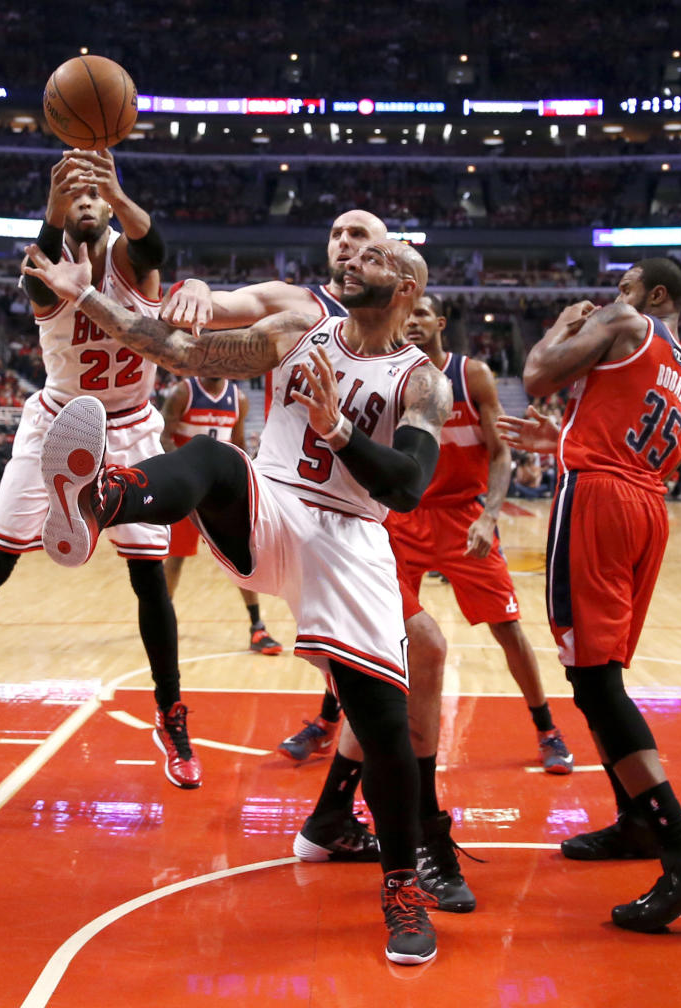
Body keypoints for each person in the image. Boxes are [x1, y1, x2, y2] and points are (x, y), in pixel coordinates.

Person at [24, 235, 452, 966]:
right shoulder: (296, 332)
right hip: (277, 509)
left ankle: (403, 888)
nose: (353, 262)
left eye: (375, 259)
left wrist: (337, 430)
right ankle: (103, 497)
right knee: (219, 458)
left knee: (384, 724)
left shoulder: (422, 381)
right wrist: (86, 296)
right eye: (351, 257)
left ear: (408, 287)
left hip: (354, 542)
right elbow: (179, 352)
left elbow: (406, 489)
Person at [163, 213, 477, 916]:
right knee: (412, 655)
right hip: (299, 516)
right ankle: (418, 834)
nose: (345, 246)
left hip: (362, 519)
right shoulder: (302, 308)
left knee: (393, 661)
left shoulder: (403, 336)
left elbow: (414, 448)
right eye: (335, 235)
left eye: (361, 237)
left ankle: (335, 812)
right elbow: (208, 316)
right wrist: (192, 284)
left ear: (392, 264)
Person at [0, 148, 203, 790]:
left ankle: (170, 711)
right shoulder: (43, 264)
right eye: (77, 197)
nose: (87, 201)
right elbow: (43, 265)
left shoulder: (129, 257)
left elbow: (156, 247)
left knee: (149, 581)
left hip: (129, 428)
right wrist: (53, 203)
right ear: (61, 211)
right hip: (57, 424)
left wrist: (116, 192)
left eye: (96, 196)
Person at [499, 257, 681, 933]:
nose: (611, 298)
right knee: (604, 671)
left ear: (655, 296)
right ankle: (636, 824)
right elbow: (631, 434)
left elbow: (538, 375)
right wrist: (567, 439)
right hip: (646, 510)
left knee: (595, 681)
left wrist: (561, 325)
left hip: (598, 502)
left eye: (625, 287)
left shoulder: (627, 321)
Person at [387, 293, 573, 775]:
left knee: (507, 627)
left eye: (422, 314)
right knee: (371, 628)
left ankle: (547, 728)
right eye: (406, 315)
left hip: (461, 515)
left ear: (440, 322)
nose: (412, 322)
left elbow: (499, 453)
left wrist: (489, 516)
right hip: (405, 515)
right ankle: (328, 722)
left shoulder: (472, 376)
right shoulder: (388, 375)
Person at [160, 376, 282, 654]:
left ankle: (257, 627)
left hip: (219, 489)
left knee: (240, 557)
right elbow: (163, 434)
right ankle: (164, 621)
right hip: (187, 488)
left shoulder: (238, 398)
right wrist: (182, 470)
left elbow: (237, 443)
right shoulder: (184, 392)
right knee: (176, 559)